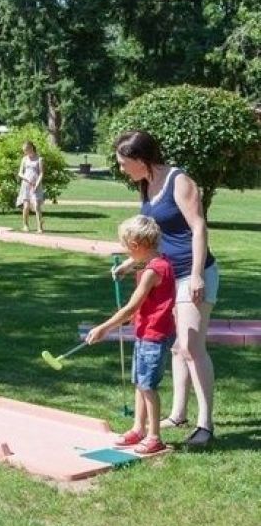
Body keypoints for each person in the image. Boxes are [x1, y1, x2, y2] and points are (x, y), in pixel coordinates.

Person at [112, 130, 219, 448]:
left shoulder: (179, 180)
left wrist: (198, 274)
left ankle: (205, 425)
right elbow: (153, 238)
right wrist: (133, 263)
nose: (121, 169)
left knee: (191, 347)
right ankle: (177, 414)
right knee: (176, 347)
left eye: (123, 163)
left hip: (193, 273)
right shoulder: (145, 184)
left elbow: (198, 226)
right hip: (168, 275)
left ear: (140, 159)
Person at [86, 215, 176, 455]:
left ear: (137, 245)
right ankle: (138, 429)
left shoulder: (152, 272)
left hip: (154, 335)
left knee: (148, 386)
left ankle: (154, 436)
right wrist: (128, 266)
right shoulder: (159, 261)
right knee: (140, 382)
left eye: (127, 247)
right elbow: (142, 262)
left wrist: (104, 328)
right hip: (147, 332)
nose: (126, 252)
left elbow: (130, 309)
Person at [16, 141, 45, 233]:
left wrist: (37, 183)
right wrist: (26, 179)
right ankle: (25, 225)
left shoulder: (39, 159)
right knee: (26, 206)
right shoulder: (24, 159)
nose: (25, 152)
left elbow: (41, 173)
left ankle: (39, 227)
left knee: (36, 205)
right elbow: (20, 173)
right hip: (26, 185)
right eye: (24, 150)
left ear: (31, 148)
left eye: (26, 150)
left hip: (36, 184)